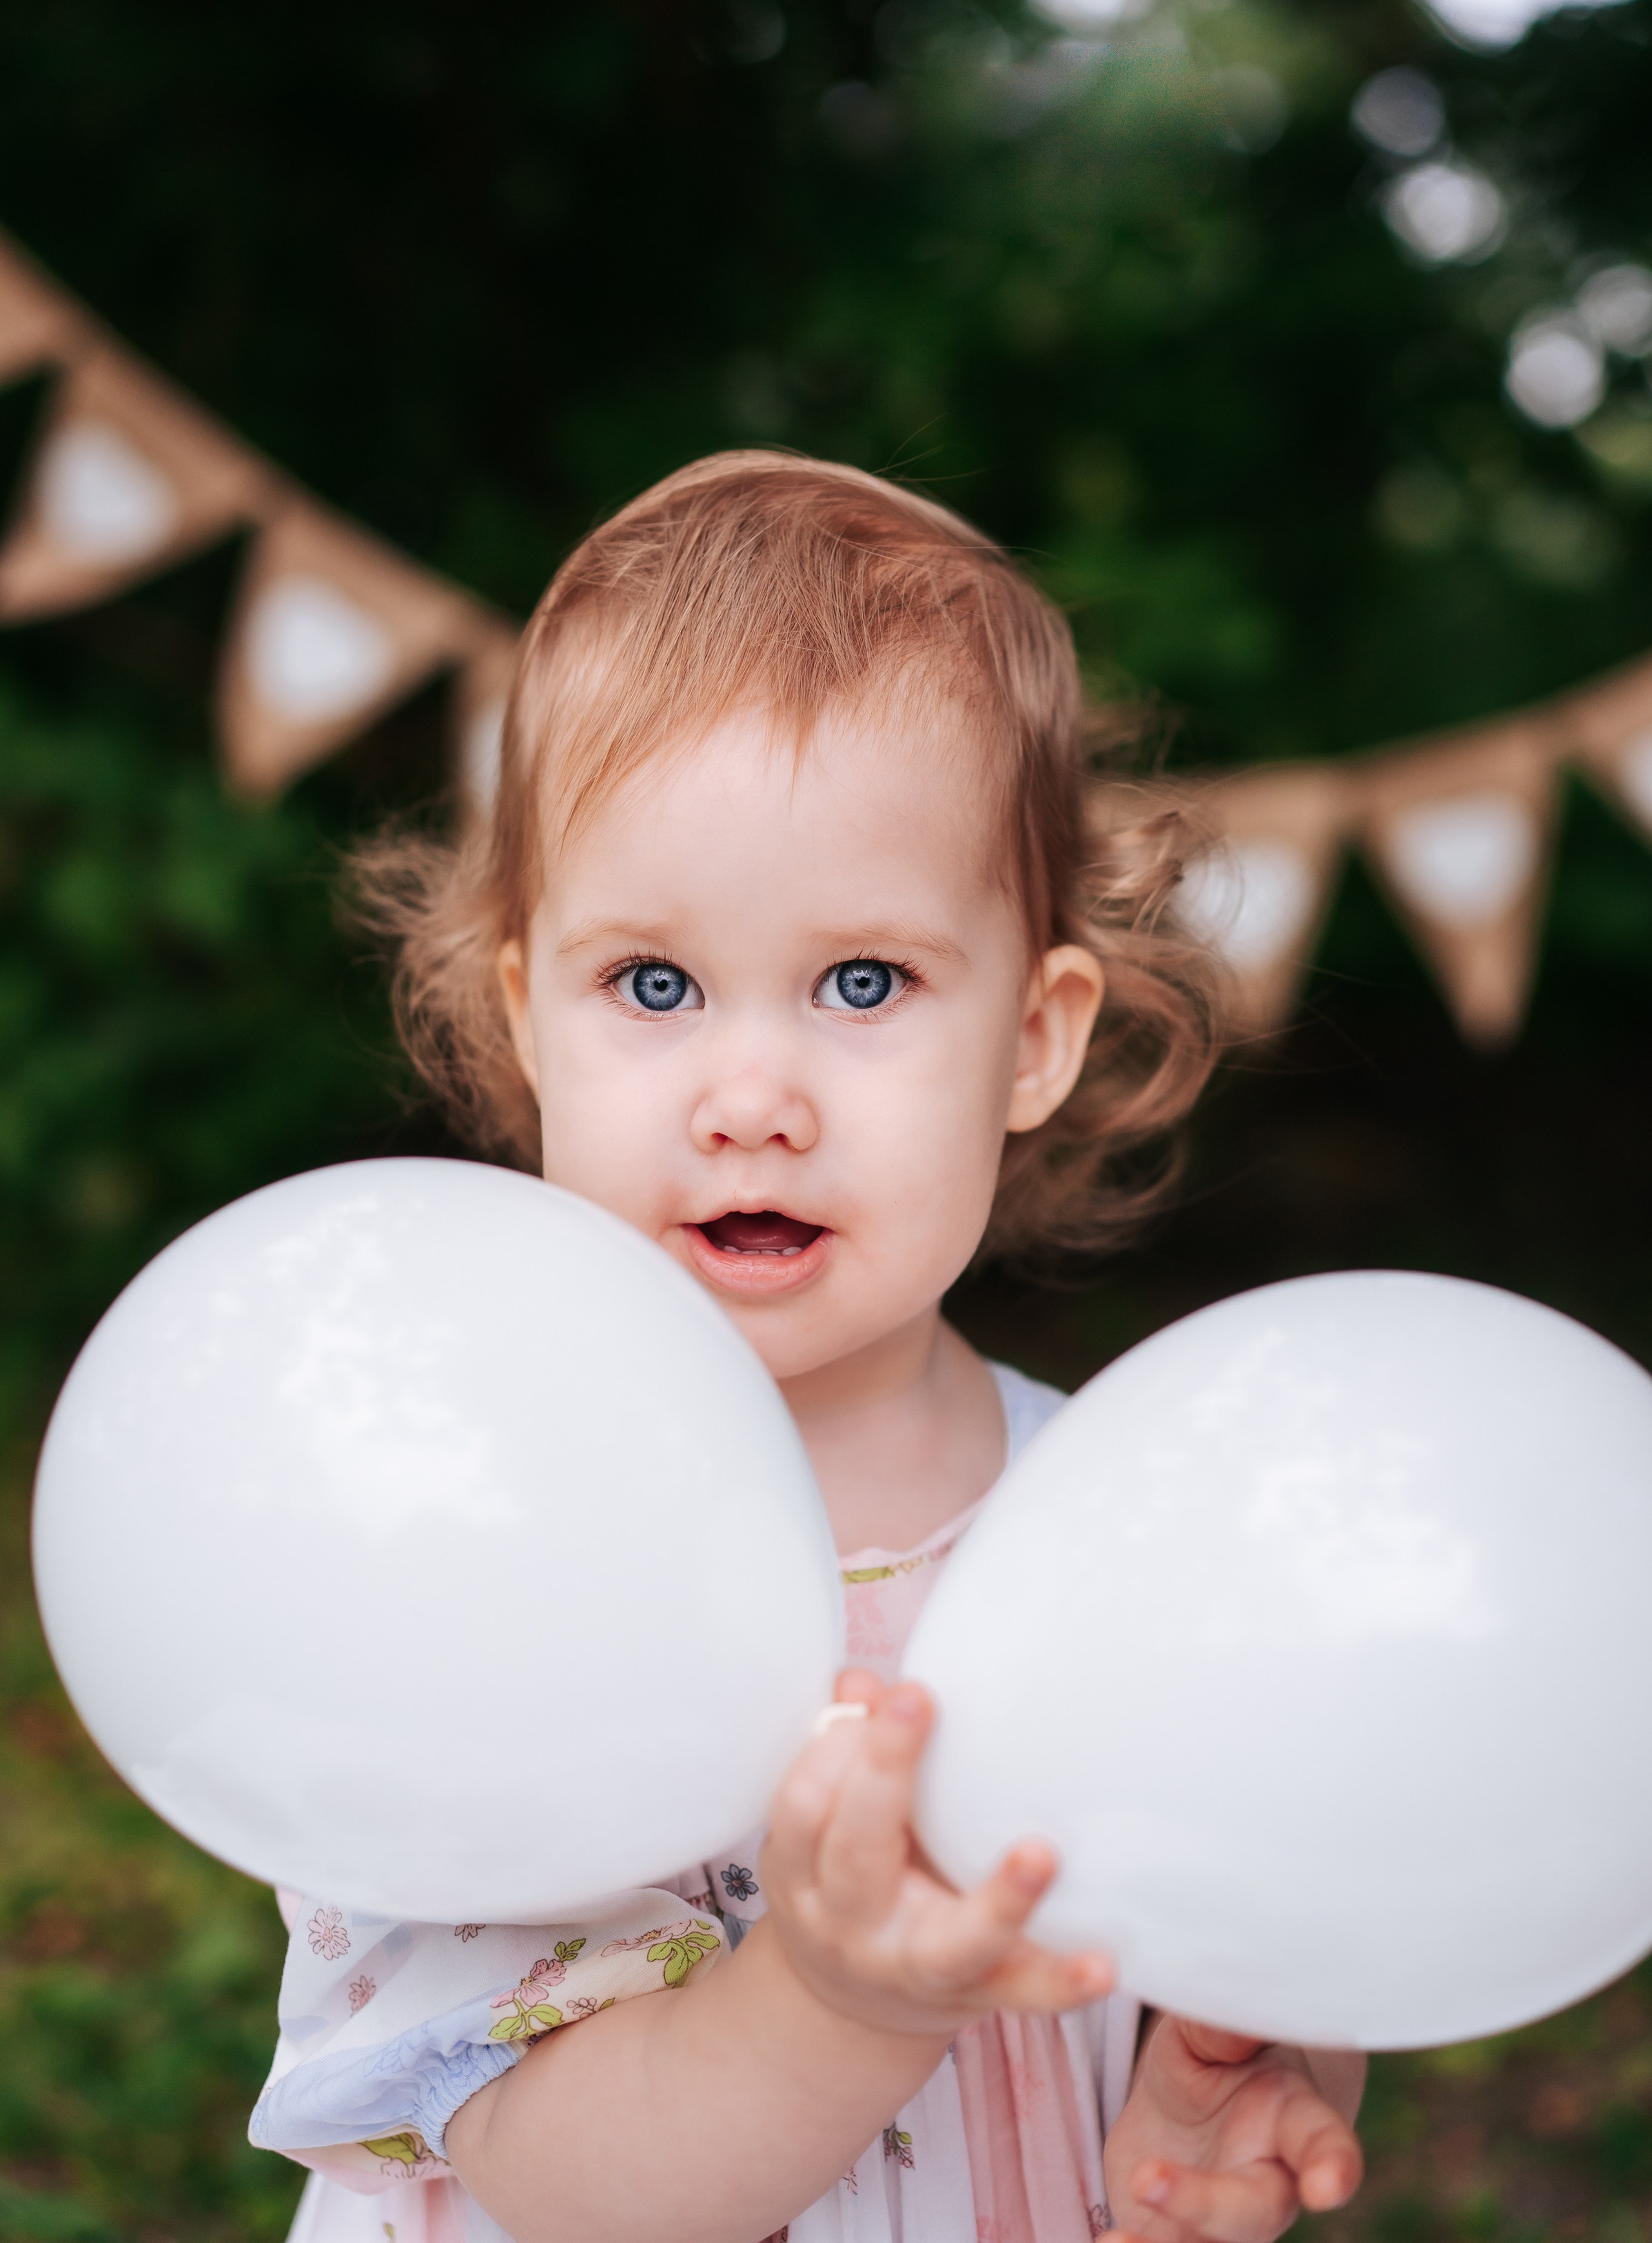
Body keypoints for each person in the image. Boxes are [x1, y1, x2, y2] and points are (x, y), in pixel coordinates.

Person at [250, 452, 1365, 2243]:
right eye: (657, 985)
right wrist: (839, 2000)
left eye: (863, 983)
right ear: (530, 1009)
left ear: (1034, 1035)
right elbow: (559, 2176)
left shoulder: (1128, 1522)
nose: (752, 1100)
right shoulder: (453, 1559)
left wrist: (1236, 2054)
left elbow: (1251, 1895)